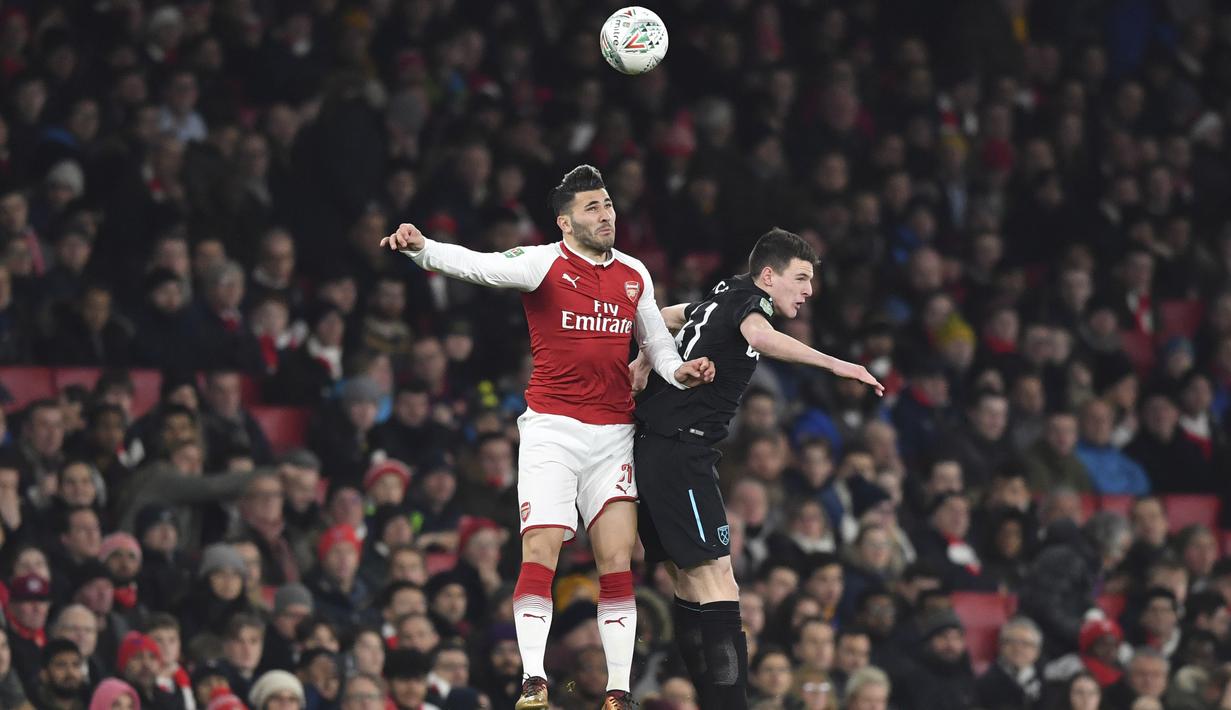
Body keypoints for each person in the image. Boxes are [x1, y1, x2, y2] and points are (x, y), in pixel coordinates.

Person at [382, 164, 715, 710]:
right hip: (553, 431)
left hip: (614, 434)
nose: (607, 214)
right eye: (593, 207)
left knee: (617, 558)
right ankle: (534, 680)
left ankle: (618, 692)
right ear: (565, 221)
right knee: (541, 548)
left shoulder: (635, 274)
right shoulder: (544, 262)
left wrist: (683, 373)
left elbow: (658, 348)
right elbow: (480, 267)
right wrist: (423, 249)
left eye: (608, 204)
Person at [630, 228, 883, 709]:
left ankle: (706, 691)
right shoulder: (753, 307)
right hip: (681, 451)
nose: (809, 290)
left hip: (658, 446)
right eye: (801, 278)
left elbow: (671, 314)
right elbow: (758, 336)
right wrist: (837, 364)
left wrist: (644, 353)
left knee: (688, 581)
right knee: (720, 582)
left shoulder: (725, 291)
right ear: (769, 276)